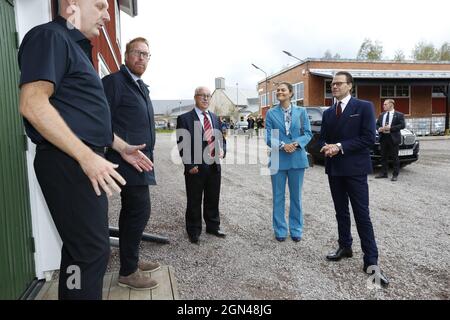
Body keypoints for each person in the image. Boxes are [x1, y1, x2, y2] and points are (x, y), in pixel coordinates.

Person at [18, 0, 153, 300]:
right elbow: (32, 103)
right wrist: (85, 155)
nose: (107, 15)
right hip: (68, 161)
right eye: (101, 6)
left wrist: (119, 146)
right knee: (92, 251)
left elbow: (79, 115)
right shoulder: (50, 37)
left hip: (79, 159)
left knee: (81, 249)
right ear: (72, 4)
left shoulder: (74, 48)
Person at [318, 71, 389, 287]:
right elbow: (322, 138)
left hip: (355, 170)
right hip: (335, 169)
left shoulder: (364, 107)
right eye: (332, 84)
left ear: (350, 85)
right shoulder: (329, 112)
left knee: (362, 214)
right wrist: (324, 146)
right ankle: (345, 246)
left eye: (339, 83)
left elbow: (368, 138)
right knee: (341, 212)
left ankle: (371, 262)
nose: (334, 87)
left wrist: (339, 147)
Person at [102, 37, 160, 290]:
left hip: (141, 160)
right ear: (126, 55)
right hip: (126, 160)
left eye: (146, 54)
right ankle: (128, 271)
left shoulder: (140, 85)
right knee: (138, 212)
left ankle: (131, 261)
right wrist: (121, 148)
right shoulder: (114, 82)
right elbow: (100, 121)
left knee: (132, 214)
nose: (142, 58)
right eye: (137, 53)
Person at [176, 87, 226, 244]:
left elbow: (221, 138)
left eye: (208, 96)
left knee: (213, 198)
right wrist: (189, 164)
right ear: (195, 97)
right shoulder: (184, 118)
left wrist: (223, 149)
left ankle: (213, 226)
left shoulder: (215, 117)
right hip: (195, 167)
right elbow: (182, 144)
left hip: (213, 165)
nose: (205, 98)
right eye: (202, 96)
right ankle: (193, 230)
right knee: (194, 199)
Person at [265, 82, 312, 242]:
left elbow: (307, 133)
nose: (279, 92)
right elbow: (269, 136)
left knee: (296, 197)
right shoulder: (271, 113)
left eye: (283, 90)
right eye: (277, 90)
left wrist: (296, 144)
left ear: (291, 93)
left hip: (297, 159)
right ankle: (280, 230)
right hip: (278, 158)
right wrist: (283, 145)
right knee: (278, 197)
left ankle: (296, 229)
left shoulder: (301, 111)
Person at [375, 99, 405, 181]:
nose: (383, 106)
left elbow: (402, 125)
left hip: (393, 138)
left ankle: (395, 174)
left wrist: (391, 128)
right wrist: (379, 128)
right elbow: (377, 125)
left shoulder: (399, 115)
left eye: (385, 104)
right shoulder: (382, 115)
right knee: (383, 157)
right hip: (383, 138)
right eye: (383, 104)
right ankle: (384, 173)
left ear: (391, 105)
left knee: (395, 157)